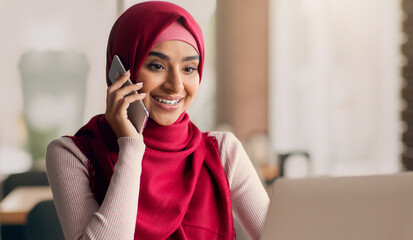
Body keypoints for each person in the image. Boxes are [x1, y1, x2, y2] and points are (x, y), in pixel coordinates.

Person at [45, 1, 269, 240]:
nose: (176, 85)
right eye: (157, 65)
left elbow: (281, 233)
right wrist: (130, 146)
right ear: (121, 72)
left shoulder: (223, 152)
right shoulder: (73, 154)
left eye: (189, 68)